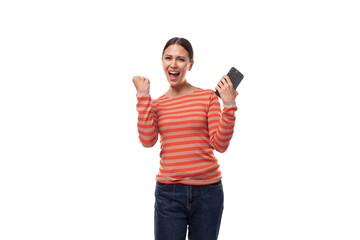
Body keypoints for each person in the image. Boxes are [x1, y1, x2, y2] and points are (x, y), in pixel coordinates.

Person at [133, 37, 238, 240]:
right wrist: (143, 94)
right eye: (168, 58)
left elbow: (220, 144)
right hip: (169, 194)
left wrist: (229, 106)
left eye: (181, 59)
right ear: (162, 62)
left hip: (208, 192)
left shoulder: (207, 97)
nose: (173, 64)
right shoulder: (156, 105)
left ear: (190, 64)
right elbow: (147, 141)